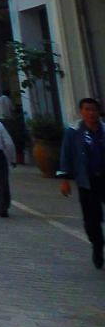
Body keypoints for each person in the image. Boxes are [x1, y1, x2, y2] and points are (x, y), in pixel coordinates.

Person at [58, 97, 105, 269]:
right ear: (81, 112)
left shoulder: (104, 130)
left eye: (94, 110)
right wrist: (64, 179)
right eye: (87, 109)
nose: (91, 113)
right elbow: (66, 155)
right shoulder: (73, 131)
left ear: (99, 112)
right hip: (87, 180)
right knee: (91, 219)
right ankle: (97, 245)